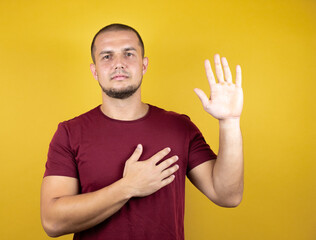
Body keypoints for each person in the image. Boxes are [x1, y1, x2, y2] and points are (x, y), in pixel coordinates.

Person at [40, 23, 244, 240]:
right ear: (94, 70)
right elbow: (53, 222)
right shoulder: (70, 133)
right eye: (107, 57)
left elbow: (227, 195)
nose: (118, 64)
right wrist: (128, 187)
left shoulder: (180, 127)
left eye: (128, 54)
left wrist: (230, 122)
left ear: (144, 65)